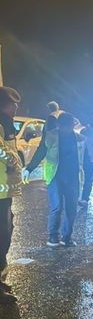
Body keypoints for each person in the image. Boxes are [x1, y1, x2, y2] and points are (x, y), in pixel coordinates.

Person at [25, 112, 85, 247]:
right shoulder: (51, 136)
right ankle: (53, 236)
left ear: (72, 125)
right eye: (63, 125)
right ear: (59, 125)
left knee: (71, 208)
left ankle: (67, 237)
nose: (66, 128)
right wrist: (29, 169)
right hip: (55, 176)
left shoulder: (80, 139)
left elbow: (86, 160)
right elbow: (41, 152)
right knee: (56, 207)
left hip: (73, 178)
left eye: (69, 125)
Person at [0, 87, 24, 304]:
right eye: (12, 103)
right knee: (1, 235)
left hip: (4, 191)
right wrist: (12, 159)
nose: (16, 106)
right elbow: (2, 151)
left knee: (6, 233)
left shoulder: (7, 124)